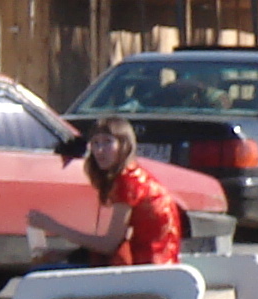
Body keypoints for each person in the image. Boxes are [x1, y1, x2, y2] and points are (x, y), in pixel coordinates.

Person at [27, 115, 187, 268]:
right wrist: (63, 254)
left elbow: (109, 245)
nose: (99, 150)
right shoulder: (133, 175)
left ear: (124, 146)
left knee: (40, 273)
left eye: (107, 142)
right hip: (155, 265)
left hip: (150, 269)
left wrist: (53, 226)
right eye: (95, 143)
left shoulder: (128, 182)